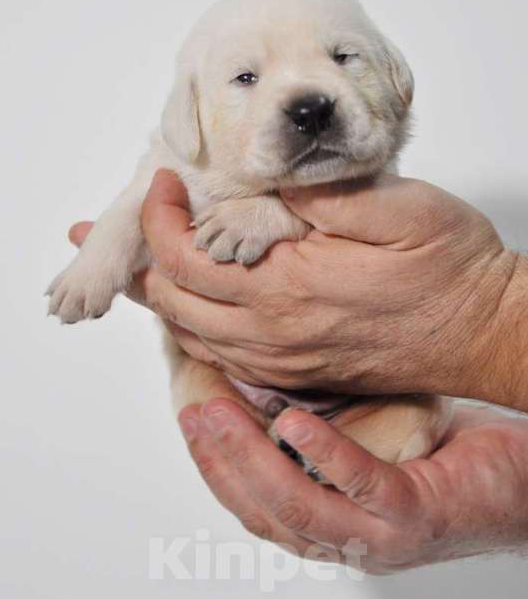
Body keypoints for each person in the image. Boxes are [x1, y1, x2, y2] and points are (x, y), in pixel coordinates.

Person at [69, 171, 528, 573]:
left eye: (344, 62)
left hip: (366, 408)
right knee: (207, 394)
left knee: (406, 417)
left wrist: (488, 320)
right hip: (235, 383)